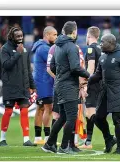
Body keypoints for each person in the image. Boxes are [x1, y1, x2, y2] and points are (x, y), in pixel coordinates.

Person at [41, 21, 90, 154]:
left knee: (62, 116)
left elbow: (52, 67)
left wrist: (61, 75)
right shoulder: (72, 47)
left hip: (59, 85)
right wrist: (88, 75)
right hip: (69, 86)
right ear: (74, 32)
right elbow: (75, 67)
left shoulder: (57, 46)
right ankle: (64, 147)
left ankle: (49, 144)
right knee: (71, 117)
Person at [88, 33, 120, 154]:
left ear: (111, 43)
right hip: (105, 91)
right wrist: (86, 80)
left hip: (119, 91)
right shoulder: (103, 56)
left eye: (102, 42)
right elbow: (98, 74)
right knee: (98, 117)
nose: (100, 44)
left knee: (117, 119)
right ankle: (109, 139)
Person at [0, 27, 37, 147]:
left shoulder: (25, 49)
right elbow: (6, 65)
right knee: (8, 111)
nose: (20, 38)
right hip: (10, 86)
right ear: (11, 37)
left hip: (23, 87)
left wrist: (32, 86)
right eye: (18, 36)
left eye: (21, 36)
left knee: (24, 111)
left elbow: (28, 70)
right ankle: (2, 139)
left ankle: (26, 139)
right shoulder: (5, 49)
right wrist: (17, 54)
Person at [32, 26, 57, 145]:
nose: (56, 37)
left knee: (40, 108)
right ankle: (47, 137)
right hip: (44, 83)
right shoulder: (44, 49)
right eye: (54, 35)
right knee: (48, 108)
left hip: (41, 82)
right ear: (47, 35)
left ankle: (37, 137)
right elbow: (55, 62)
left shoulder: (40, 46)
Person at [78, 26, 102, 149]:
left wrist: (86, 83)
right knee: (93, 113)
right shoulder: (101, 48)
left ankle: (89, 141)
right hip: (101, 84)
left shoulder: (91, 49)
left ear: (88, 35)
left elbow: (91, 68)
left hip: (93, 85)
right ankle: (89, 141)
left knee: (90, 112)